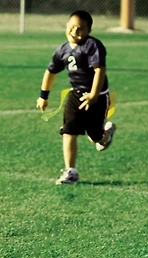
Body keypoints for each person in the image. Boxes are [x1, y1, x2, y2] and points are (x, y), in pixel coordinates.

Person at [36, 10, 116, 185]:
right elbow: (51, 72)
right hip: (76, 94)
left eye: (80, 29)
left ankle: (106, 135)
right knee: (69, 130)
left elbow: (99, 70)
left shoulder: (93, 46)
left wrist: (94, 94)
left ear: (88, 31)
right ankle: (70, 171)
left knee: (94, 135)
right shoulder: (62, 50)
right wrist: (43, 96)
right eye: (71, 27)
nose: (74, 32)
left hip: (98, 96)